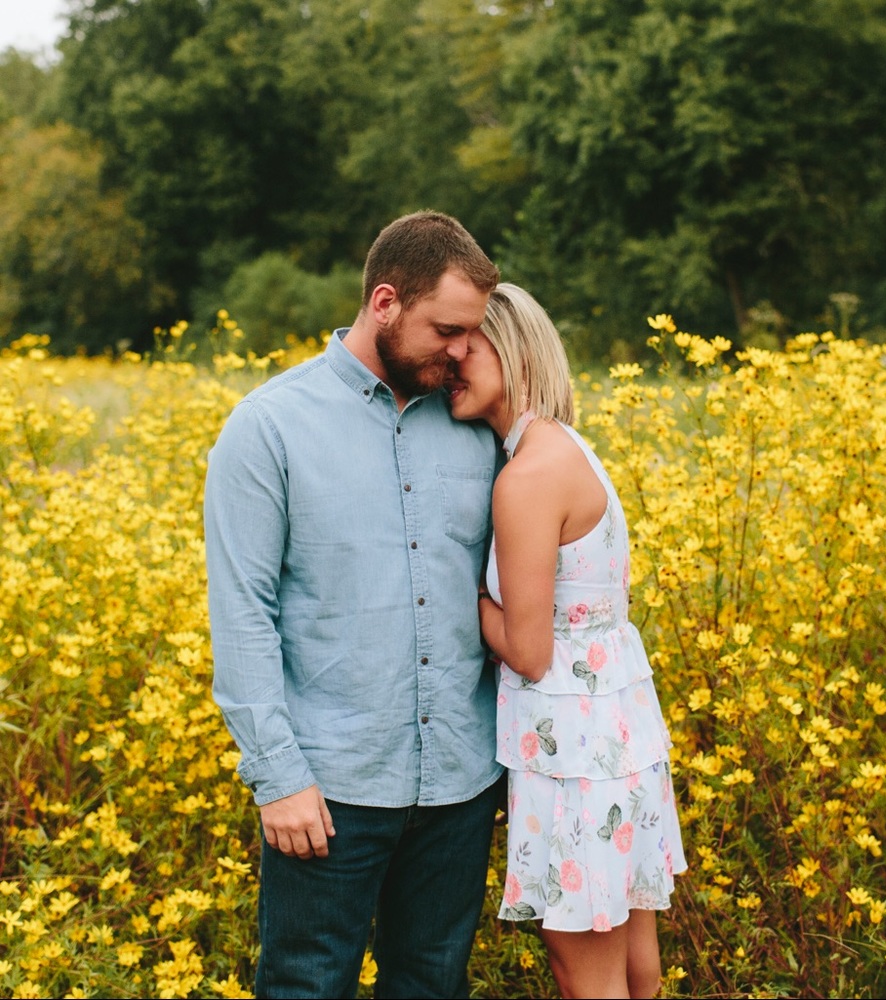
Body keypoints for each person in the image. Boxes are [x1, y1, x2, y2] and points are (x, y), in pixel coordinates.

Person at [204, 211, 505, 1000]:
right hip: (327, 790)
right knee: (307, 986)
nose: (461, 351)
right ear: (383, 303)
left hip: (459, 787)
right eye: (446, 329)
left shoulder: (476, 425)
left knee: (433, 985)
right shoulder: (267, 428)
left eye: (471, 334)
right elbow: (242, 614)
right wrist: (277, 777)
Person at [445, 283, 688, 999]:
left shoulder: (527, 477)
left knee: (582, 969)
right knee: (631, 957)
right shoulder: (571, 449)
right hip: (619, 739)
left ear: (515, 349)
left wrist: (457, 591)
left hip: (572, 754)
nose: (453, 359)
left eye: (470, 343)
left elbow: (528, 650)